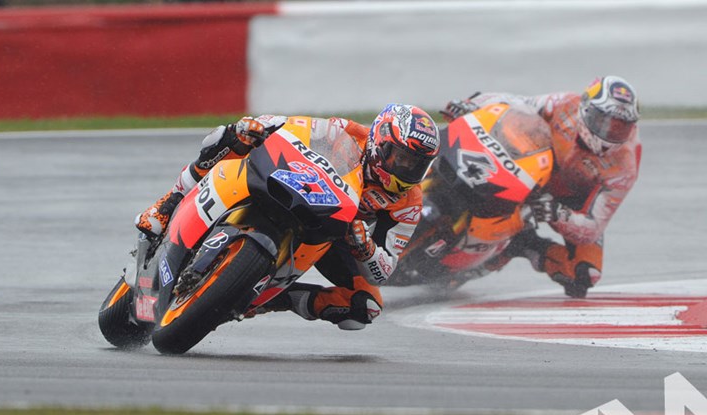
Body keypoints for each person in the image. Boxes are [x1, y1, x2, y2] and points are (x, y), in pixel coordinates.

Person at [136, 104, 440, 328]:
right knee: (229, 137)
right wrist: (256, 127)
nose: (406, 168)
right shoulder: (344, 132)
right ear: (380, 142)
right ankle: (168, 203)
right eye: (401, 157)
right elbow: (289, 126)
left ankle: (275, 298)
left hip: (333, 232)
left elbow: (383, 269)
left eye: (416, 165)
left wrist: (366, 248)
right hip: (290, 184)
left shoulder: (408, 201)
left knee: (364, 309)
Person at [440, 76, 642, 297]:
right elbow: (518, 103)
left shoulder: (624, 167)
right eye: (602, 121)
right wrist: (474, 105)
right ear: (586, 109)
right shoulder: (566, 104)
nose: (608, 133)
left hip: (569, 201)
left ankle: (523, 243)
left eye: (619, 128)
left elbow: (593, 227)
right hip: (531, 163)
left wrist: (558, 213)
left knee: (584, 274)